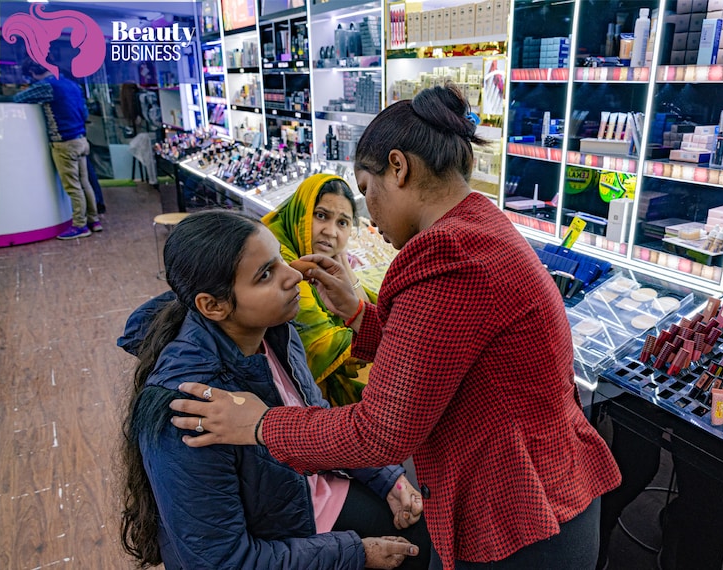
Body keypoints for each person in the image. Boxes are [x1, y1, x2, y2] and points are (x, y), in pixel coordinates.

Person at [169, 84, 622, 569]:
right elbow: (441, 350)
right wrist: (360, 314)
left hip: (520, 510)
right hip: (544, 488)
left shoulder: (445, 252)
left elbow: (382, 430)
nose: (367, 216)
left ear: (398, 168)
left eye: (366, 193)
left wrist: (261, 425)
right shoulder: (479, 223)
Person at [118, 209, 430, 569]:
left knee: (429, 536)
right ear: (213, 306)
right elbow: (222, 561)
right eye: (266, 274)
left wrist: (386, 477)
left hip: (308, 495)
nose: (295, 275)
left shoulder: (276, 333)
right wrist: (355, 553)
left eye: (281, 258)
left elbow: (316, 417)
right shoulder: (189, 408)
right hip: (287, 536)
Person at [262, 173, 376, 406]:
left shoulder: (319, 260)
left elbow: (370, 307)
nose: (331, 232)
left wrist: (347, 270)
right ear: (300, 213)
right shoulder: (279, 261)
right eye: (321, 216)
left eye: (342, 222)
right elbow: (325, 344)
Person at [14, 59, 101, 239]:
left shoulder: (47, 86)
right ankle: (94, 220)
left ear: (33, 72)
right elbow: (84, 113)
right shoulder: (71, 84)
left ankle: (80, 226)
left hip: (64, 142)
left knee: (73, 187)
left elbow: (18, 99)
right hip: (81, 139)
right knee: (85, 183)